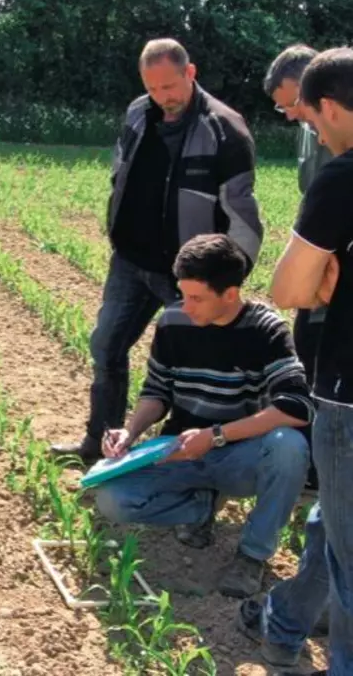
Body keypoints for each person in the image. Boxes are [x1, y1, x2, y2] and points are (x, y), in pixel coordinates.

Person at [52, 38, 263, 463]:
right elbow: (120, 172)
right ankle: (100, 444)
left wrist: (226, 282)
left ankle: (201, 460)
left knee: (202, 368)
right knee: (107, 348)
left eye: (170, 86)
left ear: (191, 73)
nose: (162, 98)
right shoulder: (137, 113)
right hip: (132, 262)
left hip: (190, 277)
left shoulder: (224, 128)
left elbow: (243, 217)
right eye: (153, 88)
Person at [95, 234, 312, 599]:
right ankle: (201, 507)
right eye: (183, 294)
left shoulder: (266, 329)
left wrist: (215, 436)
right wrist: (130, 432)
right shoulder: (173, 322)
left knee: (288, 446)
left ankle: (251, 555)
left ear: (230, 294)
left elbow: (296, 407)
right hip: (178, 448)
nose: (186, 306)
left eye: (197, 298)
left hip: (238, 454)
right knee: (113, 499)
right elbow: (157, 391)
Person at [238, 48, 353, 676]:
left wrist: (325, 282)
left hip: (346, 390)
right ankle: (285, 626)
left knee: (347, 548)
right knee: (340, 529)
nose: (310, 127)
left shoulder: (342, 176)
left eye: (310, 117)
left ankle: (287, 627)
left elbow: (286, 290)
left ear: (330, 108)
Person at [264, 46, 332, 482]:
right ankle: (313, 463)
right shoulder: (310, 129)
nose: (289, 114)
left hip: (335, 275)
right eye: (281, 106)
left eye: (293, 103)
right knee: (306, 358)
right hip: (317, 270)